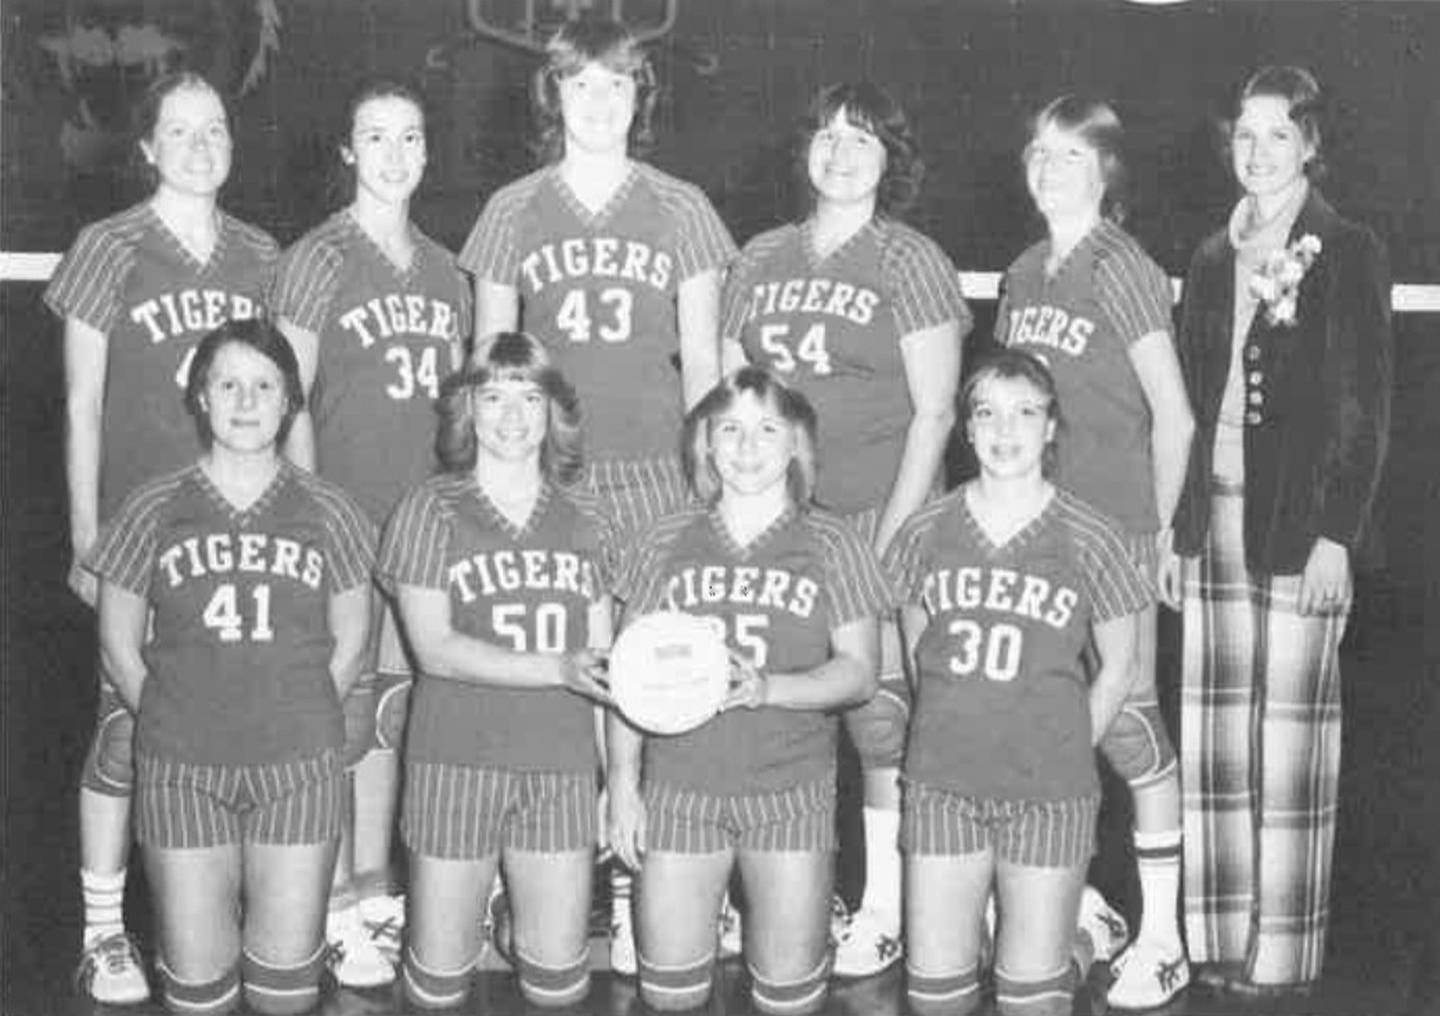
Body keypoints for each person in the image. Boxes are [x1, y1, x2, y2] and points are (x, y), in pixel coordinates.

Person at [457, 14, 736, 972]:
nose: (601, 102)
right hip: (553, 478)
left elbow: (703, 359)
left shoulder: (682, 206)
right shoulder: (511, 209)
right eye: (582, 86)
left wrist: (712, 475)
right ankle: (536, 879)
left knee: (664, 666)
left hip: (658, 469)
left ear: (639, 99)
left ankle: (647, 881)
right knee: (562, 672)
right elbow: (488, 365)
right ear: (555, 97)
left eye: (619, 86)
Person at [720, 81, 970, 977]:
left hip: (878, 515)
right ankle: (795, 889)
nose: (839, 152)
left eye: (861, 139)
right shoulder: (760, 255)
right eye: (825, 135)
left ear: (889, 160)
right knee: (775, 704)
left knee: (879, 717)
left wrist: (891, 535)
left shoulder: (910, 258)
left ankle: (884, 904)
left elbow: (936, 413)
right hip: (784, 521)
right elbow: (731, 396)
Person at [44, 70, 279, 1004]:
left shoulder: (263, 253)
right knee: (128, 728)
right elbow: (80, 405)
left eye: (213, 127)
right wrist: (87, 538)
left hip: (242, 530)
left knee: (233, 727)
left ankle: (233, 915)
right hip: (143, 535)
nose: (198, 144)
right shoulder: (109, 247)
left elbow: (281, 395)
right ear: (145, 147)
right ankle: (103, 931)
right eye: (178, 130)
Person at [1169, 65, 1392, 995]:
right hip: (1210, 510)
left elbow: (1363, 404)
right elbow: (1184, 404)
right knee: (1215, 733)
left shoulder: (1345, 249)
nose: (1256, 153)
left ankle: (1286, 950)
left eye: (1276, 135)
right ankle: (1219, 936)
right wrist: (1175, 532)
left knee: (1292, 738)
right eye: (1243, 136)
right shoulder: (1211, 256)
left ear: (1310, 143)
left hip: (1300, 525)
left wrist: (1338, 532)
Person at [87, 319, 374, 1015]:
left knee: (284, 996)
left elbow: (354, 637)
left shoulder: (330, 510)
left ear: (288, 402)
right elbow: (119, 643)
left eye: (264, 386)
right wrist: (176, 723)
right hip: (184, 768)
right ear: (201, 398)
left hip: (296, 768)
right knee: (200, 996)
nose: (246, 402)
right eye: (228, 384)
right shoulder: (152, 506)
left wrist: (291, 717)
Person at [606, 366, 893, 1015]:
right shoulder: (665, 539)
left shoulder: (835, 541)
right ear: (704, 443)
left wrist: (769, 688)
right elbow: (626, 674)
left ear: (797, 445)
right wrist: (622, 783)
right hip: (679, 789)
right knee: (669, 996)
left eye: (768, 428)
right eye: (729, 428)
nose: (747, 445)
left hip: (790, 790)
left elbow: (860, 672)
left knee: (787, 997)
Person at [996, 93, 1195, 1008]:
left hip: (1112, 535)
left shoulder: (1123, 265)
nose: (1048, 169)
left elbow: (1176, 416)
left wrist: (1156, 535)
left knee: (1129, 729)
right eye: (1039, 152)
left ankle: (1165, 936)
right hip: (1039, 538)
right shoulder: (1025, 270)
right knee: (1044, 718)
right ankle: (1088, 909)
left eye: (1070, 155)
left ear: (1105, 171)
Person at [273, 78, 470, 987]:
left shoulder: (445, 267)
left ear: (427, 152)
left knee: (393, 709)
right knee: (342, 713)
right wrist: (315, 515)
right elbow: (288, 397)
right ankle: (335, 905)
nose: (394, 156)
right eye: (375, 138)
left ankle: (376, 886)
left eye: (411, 138)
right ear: (347, 152)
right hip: (342, 524)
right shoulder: (316, 258)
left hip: (422, 529)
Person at [887, 349, 1151, 1016]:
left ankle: (1082, 938)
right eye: (987, 414)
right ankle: (1066, 932)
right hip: (944, 784)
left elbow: (1120, 666)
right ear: (967, 430)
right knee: (934, 996)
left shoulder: (1093, 537)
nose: (1006, 431)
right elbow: (920, 649)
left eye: (1026, 412)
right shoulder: (924, 530)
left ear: (1052, 427)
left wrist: (1065, 744)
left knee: (1029, 997)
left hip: (1049, 793)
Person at [378, 332, 615, 1011]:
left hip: (558, 765)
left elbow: (603, 671)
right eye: (493, 396)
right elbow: (435, 649)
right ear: (466, 409)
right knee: (440, 981)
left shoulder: (588, 516)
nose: (512, 416)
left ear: (554, 412)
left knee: (558, 982)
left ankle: (514, 919)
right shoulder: (429, 507)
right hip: (456, 760)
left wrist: (614, 779)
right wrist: (556, 668)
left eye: (530, 397)